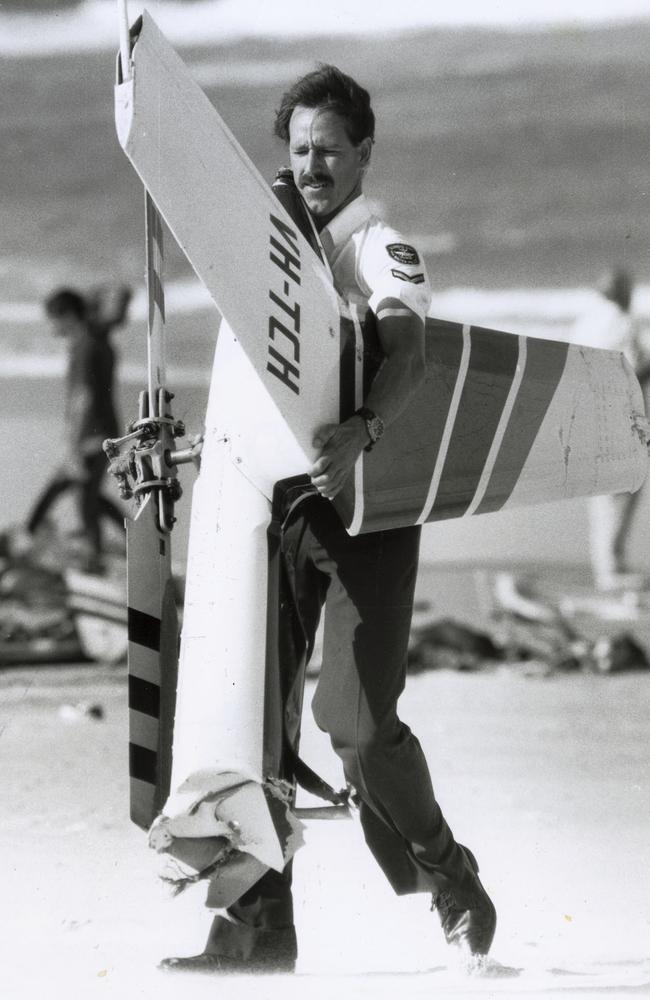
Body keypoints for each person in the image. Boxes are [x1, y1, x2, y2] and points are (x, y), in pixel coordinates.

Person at [161, 65, 496, 975]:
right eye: (300, 149)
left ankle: (449, 874)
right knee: (251, 716)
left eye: (330, 152)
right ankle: (257, 932)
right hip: (281, 510)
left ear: (364, 156)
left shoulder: (379, 247)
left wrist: (363, 430)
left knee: (353, 725)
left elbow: (413, 354)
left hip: (367, 513)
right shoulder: (272, 247)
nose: (312, 165)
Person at [27, 286, 130, 573]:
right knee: (87, 494)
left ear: (68, 316)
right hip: (103, 432)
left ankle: (91, 555)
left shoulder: (87, 345)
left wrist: (72, 445)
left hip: (92, 436)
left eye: (52, 319)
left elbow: (83, 397)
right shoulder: (94, 339)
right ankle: (131, 541)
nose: (50, 326)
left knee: (80, 496)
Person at [573, 268, 648, 591]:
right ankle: (611, 568)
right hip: (620, 416)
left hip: (589, 413)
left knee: (604, 494)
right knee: (623, 490)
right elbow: (631, 370)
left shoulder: (586, 320)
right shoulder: (620, 320)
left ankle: (606, 564)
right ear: (621, 291)